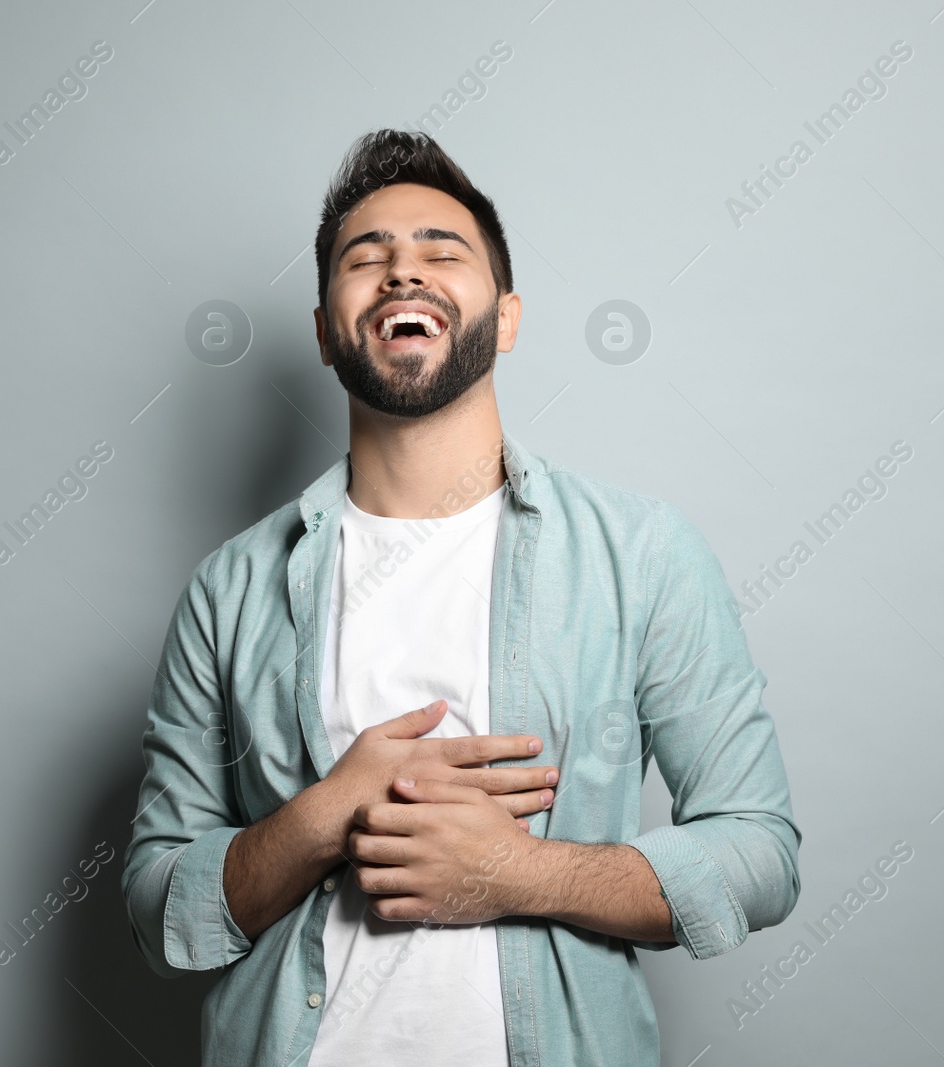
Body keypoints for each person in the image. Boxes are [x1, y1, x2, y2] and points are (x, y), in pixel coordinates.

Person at [122, 128, 801, 1067]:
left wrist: (517, 873)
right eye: (369, 258)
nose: (404, 273)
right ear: (325, 330)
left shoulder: (642, 555)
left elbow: (761, 852)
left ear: (508, 316)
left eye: (442, 251)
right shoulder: (230, 589)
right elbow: (159, 908)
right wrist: (329, 814)